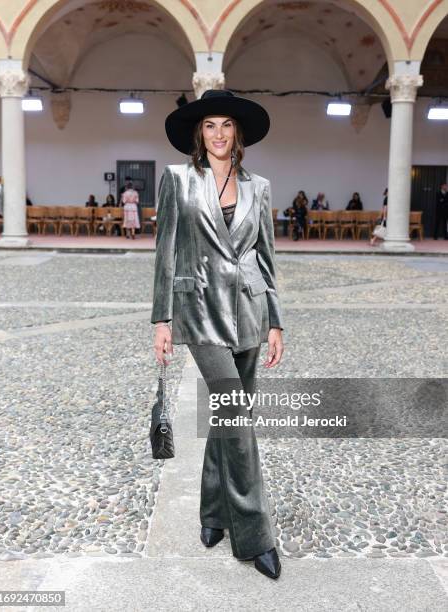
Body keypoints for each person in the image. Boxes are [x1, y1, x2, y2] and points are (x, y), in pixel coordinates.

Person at [151, 90, 284, 580]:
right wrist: (161, 320)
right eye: (210, 125)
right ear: (198, 133)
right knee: (238, 416)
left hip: (249, 311)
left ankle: (212, 513)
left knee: (229, 419)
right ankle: (255, 535)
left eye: (227, 124)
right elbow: (166, 250)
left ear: (239, 132)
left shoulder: (260, 186)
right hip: (199, 309)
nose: (220, 134)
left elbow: (266, 258)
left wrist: (276, 320)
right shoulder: (178, 179)